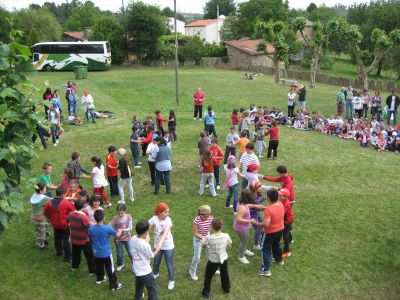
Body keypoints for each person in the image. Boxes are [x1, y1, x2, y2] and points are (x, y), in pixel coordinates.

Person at [253, 189, 284, 277]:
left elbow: (266, 224)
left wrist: (256, 223)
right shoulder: (280, 204)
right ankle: (279, 259)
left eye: (267, 196)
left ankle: (266, 270)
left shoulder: (269, 210)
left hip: (270, 232)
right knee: (276, 244)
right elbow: (275, 210)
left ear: (269, 199)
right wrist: (265, 208)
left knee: (265, 249)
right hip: (280, 229)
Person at [88, 209, 123, 291]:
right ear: (104, 218)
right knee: (110, 269)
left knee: (99, 266)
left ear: (94, 218)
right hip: (106, 253)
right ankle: (113, 285)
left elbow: (91, 237)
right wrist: (120, 230)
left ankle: (99, 279)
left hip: (96, 253)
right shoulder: (107, 228)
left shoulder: (91, 228)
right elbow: (117, 235)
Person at [129, 220, 164, 300]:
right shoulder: (145, 245)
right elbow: (151, 256)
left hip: (137, 269)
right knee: (152, 289)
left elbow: (145, 239)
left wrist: (147, 232)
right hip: (145, 272)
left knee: (139, 289)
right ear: (146, 231)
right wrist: (158, 247)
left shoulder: (133, 238)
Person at [201, 217, 232, 299]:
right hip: (224, 259)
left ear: (211, 227)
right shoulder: (226, 236)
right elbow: (229, 246)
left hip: (213, 260)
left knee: (208, 276)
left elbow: (204, 246)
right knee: (224, 274)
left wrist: (203, 239)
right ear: (222, 226)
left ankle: (206, 292)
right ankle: (226, 289)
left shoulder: (209, 238)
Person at [44, 186, 75, 261]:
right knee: (65, 239)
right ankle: (67, 256)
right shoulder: (66, 203)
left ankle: (59, 252)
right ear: (63, 195)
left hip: (55, 224)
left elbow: (45, 213)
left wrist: (51, 218)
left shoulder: (49, 202)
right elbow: (73, 211)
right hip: (64, 224)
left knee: (57, 238)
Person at [149, 202, 175, 290]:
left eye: (168, 212)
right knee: (156, 261)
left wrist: (159, 244)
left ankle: (171, 280)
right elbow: (148, 229)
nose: (167, 214)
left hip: (168, 245)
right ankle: (155, 273)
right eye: (165, 212)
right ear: (159, 212)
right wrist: (147, 237)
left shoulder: (168, 220)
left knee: (169, 263)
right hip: (157, 245)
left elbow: (165, 233)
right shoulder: (154, 219)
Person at [68, 199, 96, 274]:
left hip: (74, 238)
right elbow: (88, 228)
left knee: (75, 253)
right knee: (89, 255)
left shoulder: (70, 214)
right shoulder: (83, 217)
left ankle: (75, 266)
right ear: (83, 207)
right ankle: (92, 271)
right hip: (84, 240)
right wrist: (91, 223)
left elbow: (68, 221)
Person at [233, 189, 258, 264]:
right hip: (241, 228)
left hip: (245, 227)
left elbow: (248, 205)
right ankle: (241, 256)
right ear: (247, 198)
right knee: (243, 241)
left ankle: (244, 250)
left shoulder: (244, 203)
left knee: (246, 239)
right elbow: (238, 219)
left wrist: (256, 206)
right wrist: (250, 221)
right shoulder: (242, 208)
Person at [189, 205, 214, 281]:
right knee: (197, 257)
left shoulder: (210, 218)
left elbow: (210, 228)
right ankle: (192, 271)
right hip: (198, 240)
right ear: (201, 214)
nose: (208, 218)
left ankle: (213, 269)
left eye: (209, 216)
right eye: (206, 216)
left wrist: (209, 235)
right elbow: (195, 233)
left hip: (206, 238)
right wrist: (203, 237)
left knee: (211, 254)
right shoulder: (196, 220)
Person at [110, 203, 133, 271]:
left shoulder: (128, 217)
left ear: (125, 211)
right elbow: (110, 225)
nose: (120, 215)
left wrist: (122, 230)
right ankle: (120, 264)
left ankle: (135, 264)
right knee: (119, 253)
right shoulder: (115, 218)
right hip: (118, 239)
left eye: (122, 213)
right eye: (118, 213)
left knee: (130, 252)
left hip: (127, 237)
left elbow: (130, 228)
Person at [30, 183, 52, 250]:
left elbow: (36, 187)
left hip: (34, 217)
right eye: (45, 188)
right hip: (39, 219)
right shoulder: (44, 198)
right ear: (41, 191)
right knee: (41, 232)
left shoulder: (34, 195)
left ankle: (44, 239)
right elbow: (54, 200)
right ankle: (41, 245)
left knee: (39, 230)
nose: (46, 189)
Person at [278, 188, 294, 258]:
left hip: (287, 221)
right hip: (288, 219)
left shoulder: (286, 204)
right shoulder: (282, 200)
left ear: (285, 196)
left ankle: (287, 251)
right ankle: (290, 240)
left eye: (280, 195)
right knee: (287, 232)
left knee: (285, 236)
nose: (278, 195)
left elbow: (281, 214)